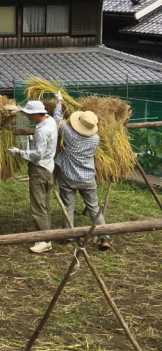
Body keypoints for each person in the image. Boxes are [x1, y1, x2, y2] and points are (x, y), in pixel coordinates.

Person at [52, 96, 109, 250]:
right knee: (94, 208)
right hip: (88, 178)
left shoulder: (69, 133)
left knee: (68, 208)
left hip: (69, 177)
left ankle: (68, 240)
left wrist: (59, 103)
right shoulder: (95, 138)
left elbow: (57, 119)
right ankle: (104, 238)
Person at [10, 98, 57, 253]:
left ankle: (44, 241)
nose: (29, 118)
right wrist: (18, 109)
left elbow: (37, 154)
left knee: (37, 207)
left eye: (30, 115)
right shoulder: (50, 121)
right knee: (45, 205)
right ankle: (46, 236)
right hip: (48, 169)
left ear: (38, 114)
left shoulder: (43, 131)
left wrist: (19, 152)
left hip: (39, 170)